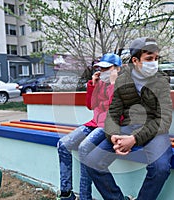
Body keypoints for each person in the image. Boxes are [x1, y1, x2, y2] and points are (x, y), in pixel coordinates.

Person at [81, 37, 173, 200]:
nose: (154, 62)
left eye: (156, 58)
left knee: (161, 168)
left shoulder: (161, 81)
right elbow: (113, 113)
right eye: (149, 59)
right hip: (127, 127)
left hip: (154, 129)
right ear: (135, 60)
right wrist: (113, 135)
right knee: (92, 161)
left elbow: (163, 119)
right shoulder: (122, 80)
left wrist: (134, 139)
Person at [57, 53, 122, 200]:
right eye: (101, 69)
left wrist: (113, 85)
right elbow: (90, 105)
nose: (103, 72)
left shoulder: (123, 85)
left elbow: (116, 109)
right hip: (94, 123)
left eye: (107, 68)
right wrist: (92, 85)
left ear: (117, 69)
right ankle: (66, 193)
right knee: (63, 144)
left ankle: (85, 197)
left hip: (109, 125)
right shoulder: (100, 83)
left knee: (84, 149)